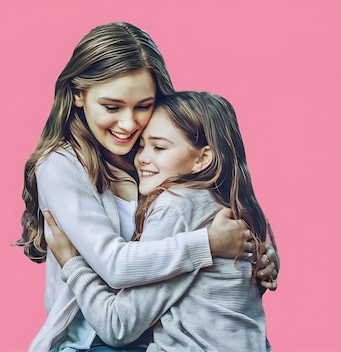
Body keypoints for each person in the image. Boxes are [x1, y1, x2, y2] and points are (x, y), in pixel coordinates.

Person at [15, 22, 278, 352]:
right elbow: (115, 264)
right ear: (78, 94)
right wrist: (208, 245)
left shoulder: (157, 158)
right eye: (112, 107)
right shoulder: (62, 165)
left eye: (143, 106)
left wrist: (261, 253)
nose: (128, 124)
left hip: (159, 338)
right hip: (92, 339)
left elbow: (226, 198)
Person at [45, 91, 277, 351]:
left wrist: (72, 264)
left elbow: (118, 326)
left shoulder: (176, 206)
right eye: (141, 145)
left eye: (159, 147)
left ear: (202, 158)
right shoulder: (234, 207)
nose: (142, 157)